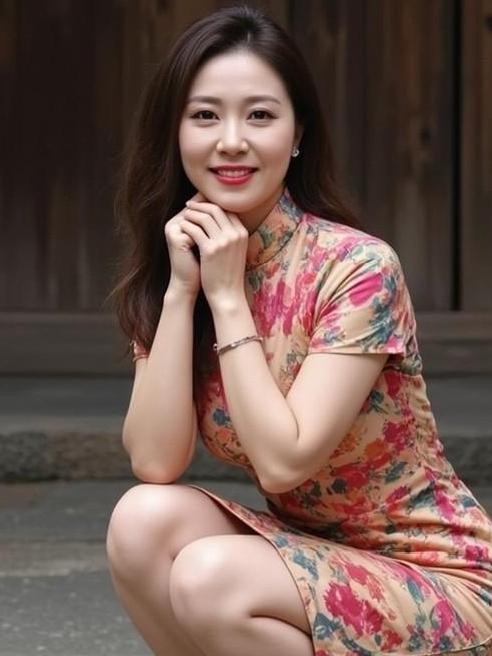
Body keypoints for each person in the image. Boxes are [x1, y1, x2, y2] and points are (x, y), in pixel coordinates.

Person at [105, 5, 492, 656]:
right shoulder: (181, 263)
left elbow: (284, 462)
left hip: (438, 581)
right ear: (174, 133)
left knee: (211, 578)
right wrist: (181, 292)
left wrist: (228, 297)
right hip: (310, 555)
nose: (232, 141)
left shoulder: (356, 268)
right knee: (140, 523)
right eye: (205, 116)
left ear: (298, 133)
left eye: (260, 115)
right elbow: (155, 460)